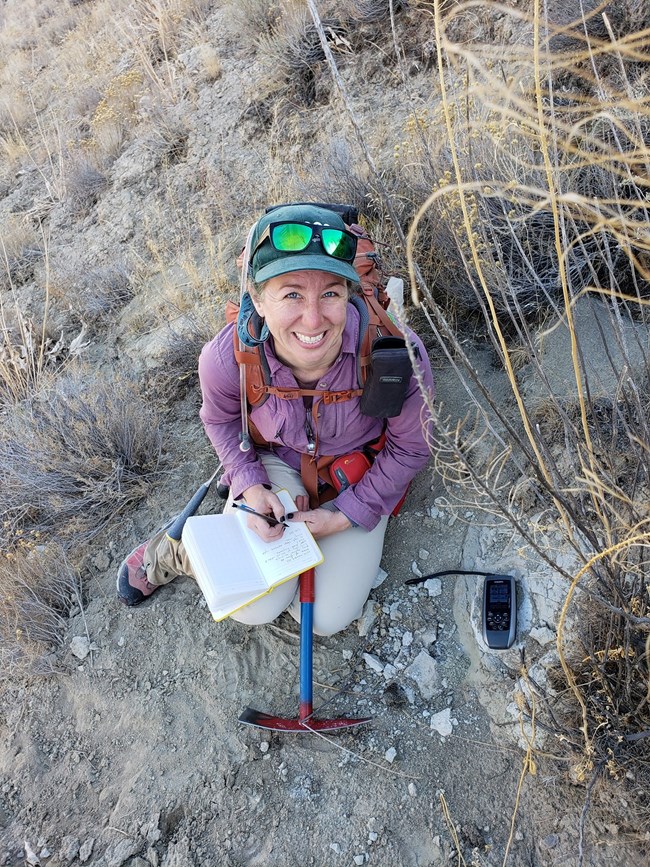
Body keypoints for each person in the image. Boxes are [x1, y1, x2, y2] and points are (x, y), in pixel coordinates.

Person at [117, 203, 435, 636]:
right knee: (255, 607)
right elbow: (221, 420)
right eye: (291, 294)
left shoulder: (397, 353)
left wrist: (345, 515)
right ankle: (183, 549)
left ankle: (241, 549)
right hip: (276, 463)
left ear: (349, 294)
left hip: (356, 474)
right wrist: (248, 481)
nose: (313, 319)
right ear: (258, 299)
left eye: (330, 293)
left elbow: (411, 448)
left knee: (324, 619)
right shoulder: (228, 357)